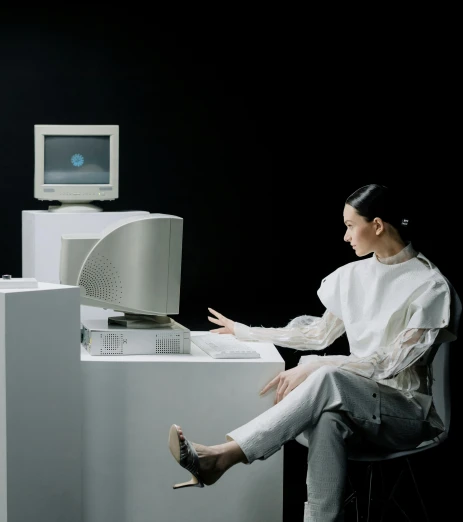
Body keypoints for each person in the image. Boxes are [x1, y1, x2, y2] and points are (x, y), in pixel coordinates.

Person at [167, 184, 461, 522]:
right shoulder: (352, 275)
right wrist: (246, 331)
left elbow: (391, 362)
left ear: (377, 225)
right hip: (357, 404)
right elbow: (319, 334)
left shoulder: (430, 286)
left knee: (328, 377)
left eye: (351, 225)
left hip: (408, 413)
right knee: (327, 419)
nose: (346, 236)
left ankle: (224, 455)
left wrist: (321, 365)